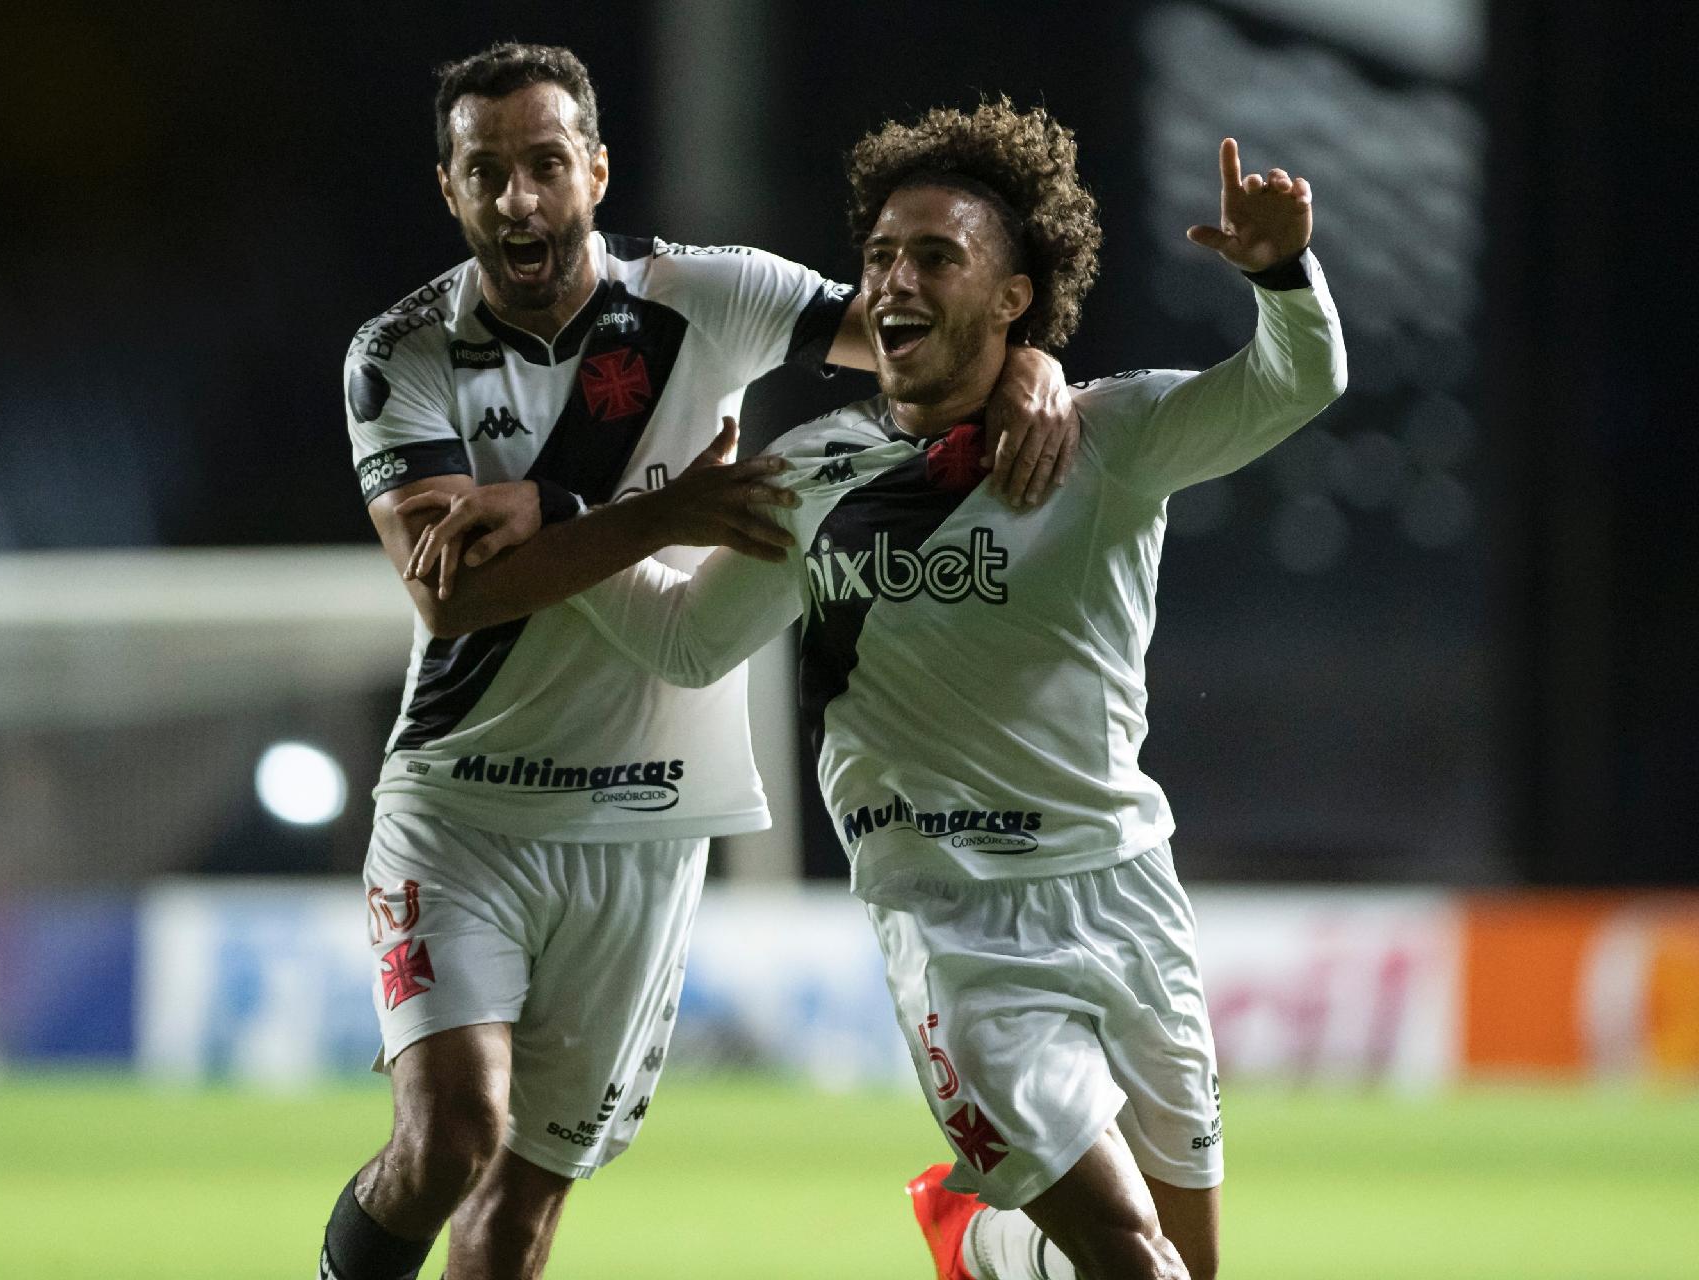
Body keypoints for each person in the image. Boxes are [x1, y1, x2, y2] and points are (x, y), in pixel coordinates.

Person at [519, 103, 1346, 1279]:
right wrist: (572, 525)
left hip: (1126, 891)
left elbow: (1294, 383)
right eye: (880, 259)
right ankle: (1004, 1233)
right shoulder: (812, 471)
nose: (894, 281)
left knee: (1190, 1265)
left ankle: (990, 1240)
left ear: (1013, 297)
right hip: (953, 917)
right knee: (1135, 1261)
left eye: (936, 256)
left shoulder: (1107, 439)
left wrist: (1280, 274)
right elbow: (689, 643)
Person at [322, 43, 1079, 1280]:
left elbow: (922, 335)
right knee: (447, 1138)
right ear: (448, 190)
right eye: (487, 172)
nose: (519, 198)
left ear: (598, 172)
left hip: (643, 819)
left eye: (545, 164)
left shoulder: (707, 294)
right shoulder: (397, 353)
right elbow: (451, 596)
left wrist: (1034, 361)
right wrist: (658, 515)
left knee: (518, 1211)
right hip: (461, 802)